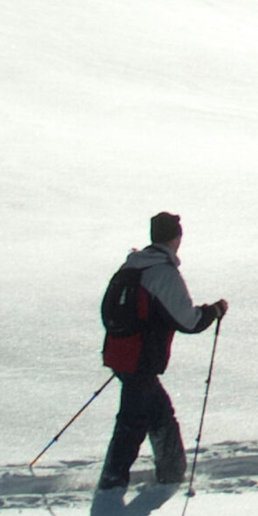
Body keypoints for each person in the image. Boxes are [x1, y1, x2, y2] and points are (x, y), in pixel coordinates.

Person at [98, 210, 228, 491]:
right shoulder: (162, 272)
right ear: (175, 238)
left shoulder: (133, 265)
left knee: (155, 413)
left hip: (120, 353)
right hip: (139, 358)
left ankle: (170, 473)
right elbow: (188, 321)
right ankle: (114, 481)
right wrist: (214, 311)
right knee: (135, 420)